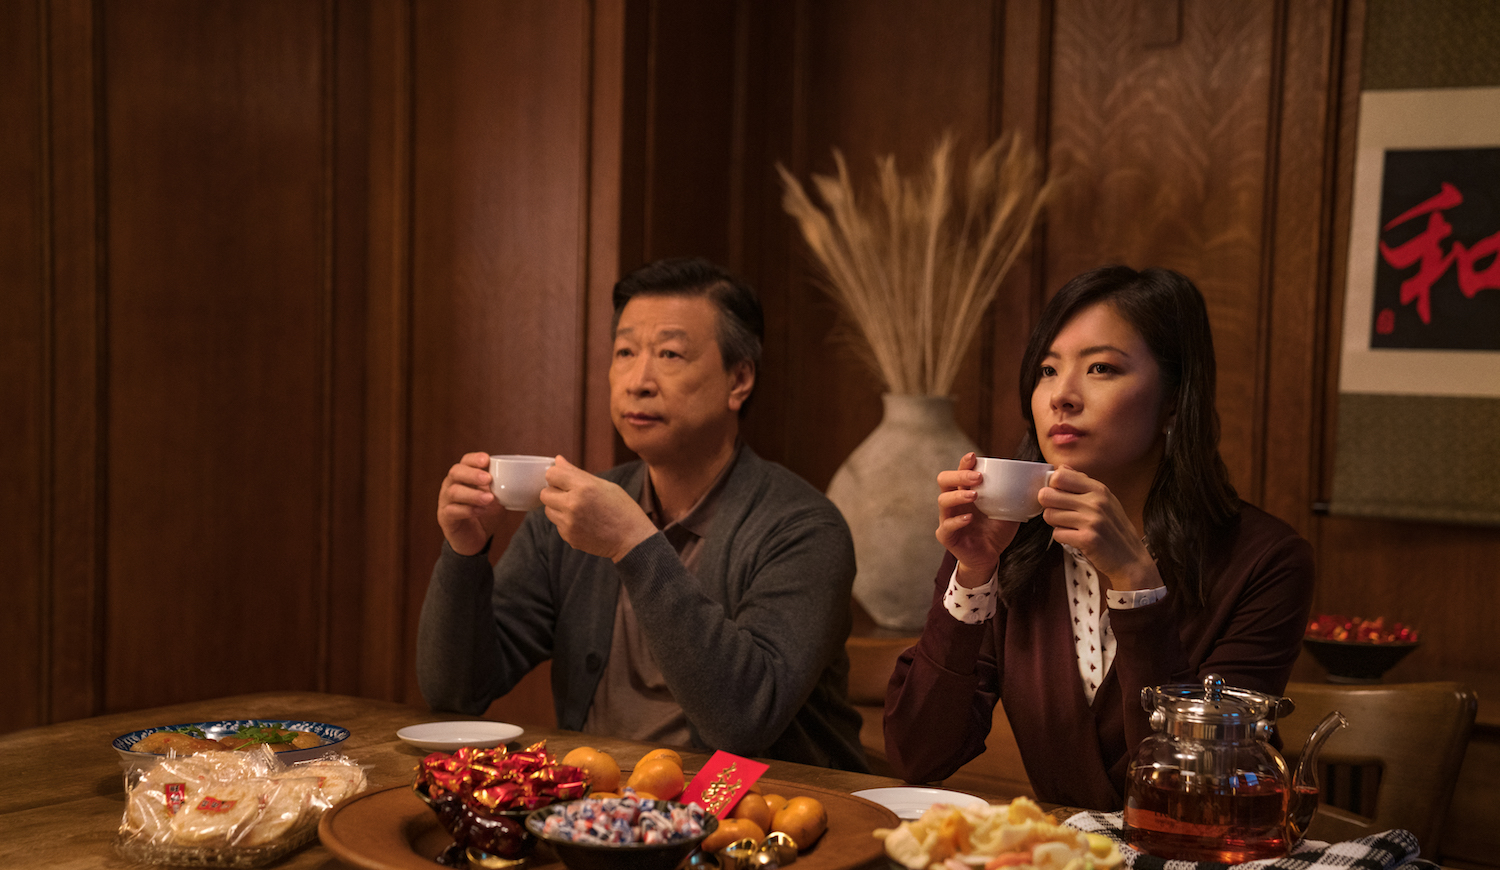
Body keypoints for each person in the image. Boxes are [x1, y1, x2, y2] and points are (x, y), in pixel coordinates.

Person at [883, 266, 1314, 809]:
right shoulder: (1010, 543)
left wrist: (1136, 584)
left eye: (1101, 368)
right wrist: (970, 576)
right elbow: (917, 757)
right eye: (1046, 369)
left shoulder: (1267, 561)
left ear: (1176, 399)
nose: (1061, 396)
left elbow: (1199, 791)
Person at [416, 257, 867, 771]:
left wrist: (633, 544)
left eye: (670, 354)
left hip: (763, 819)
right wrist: (463, 553)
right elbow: (456, 694)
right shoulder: (568, 515)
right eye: (625, 352)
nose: (638, 380)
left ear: (739, 380)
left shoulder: (804, 529)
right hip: (596, 807)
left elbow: (743, 719)